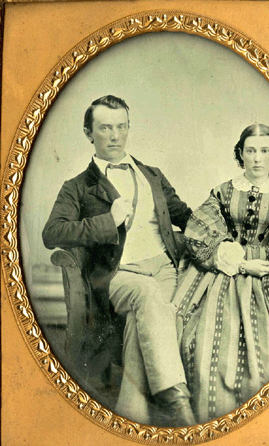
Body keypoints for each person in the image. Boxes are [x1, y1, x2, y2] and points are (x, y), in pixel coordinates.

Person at [42, 95, 195, 426]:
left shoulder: (152, 175)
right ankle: (177, 402)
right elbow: (52, 233)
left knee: (150, 320)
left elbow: (187, 216)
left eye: (121, 127)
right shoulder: (78, 187)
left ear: (129, 128)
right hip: (118, 275)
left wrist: (229, 231)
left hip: (165, 269)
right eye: (105, 128)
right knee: (149, 297)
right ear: (89, 133)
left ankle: (132, 417)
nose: (115, 135)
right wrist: (108, 221)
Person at [173, 123, 269, 423]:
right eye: (250, 151)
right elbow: (198, 229)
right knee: (203, 337)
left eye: (264, 151)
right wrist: (238, 262)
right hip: (225, 270)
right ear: (240, 154)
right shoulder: (223, 192)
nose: (257, 158)